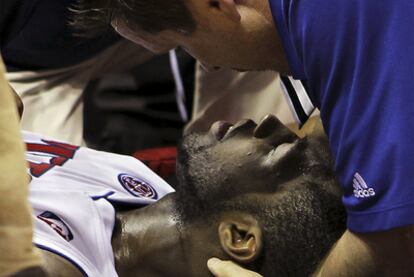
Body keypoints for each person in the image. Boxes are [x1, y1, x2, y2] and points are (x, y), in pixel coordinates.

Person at [70, 0, 414, 275]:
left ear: (214, 5)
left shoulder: (337, 17)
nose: (205, 65)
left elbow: (396, 242)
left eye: (183, 44)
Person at [4, 112, 346, 276]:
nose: (270, 122)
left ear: (238, 236)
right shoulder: (142, 185)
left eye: (281, 152)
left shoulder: (50, 269)